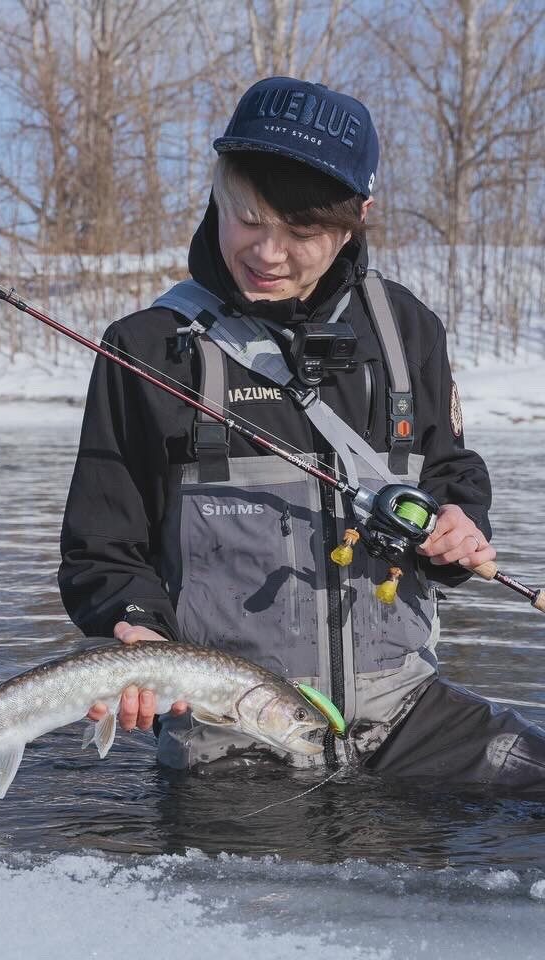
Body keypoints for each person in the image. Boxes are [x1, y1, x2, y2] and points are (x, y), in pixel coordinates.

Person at [59, 76, 545, 789]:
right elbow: (101, 550)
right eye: (248, 219)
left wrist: (457, 525)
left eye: (302, 232)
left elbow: (451, 472)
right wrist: (135, 630)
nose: (269, 252)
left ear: (358, 219)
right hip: (232, 734)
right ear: (220, 192)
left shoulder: (408, 329)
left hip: (409, 715)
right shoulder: (148, 347)